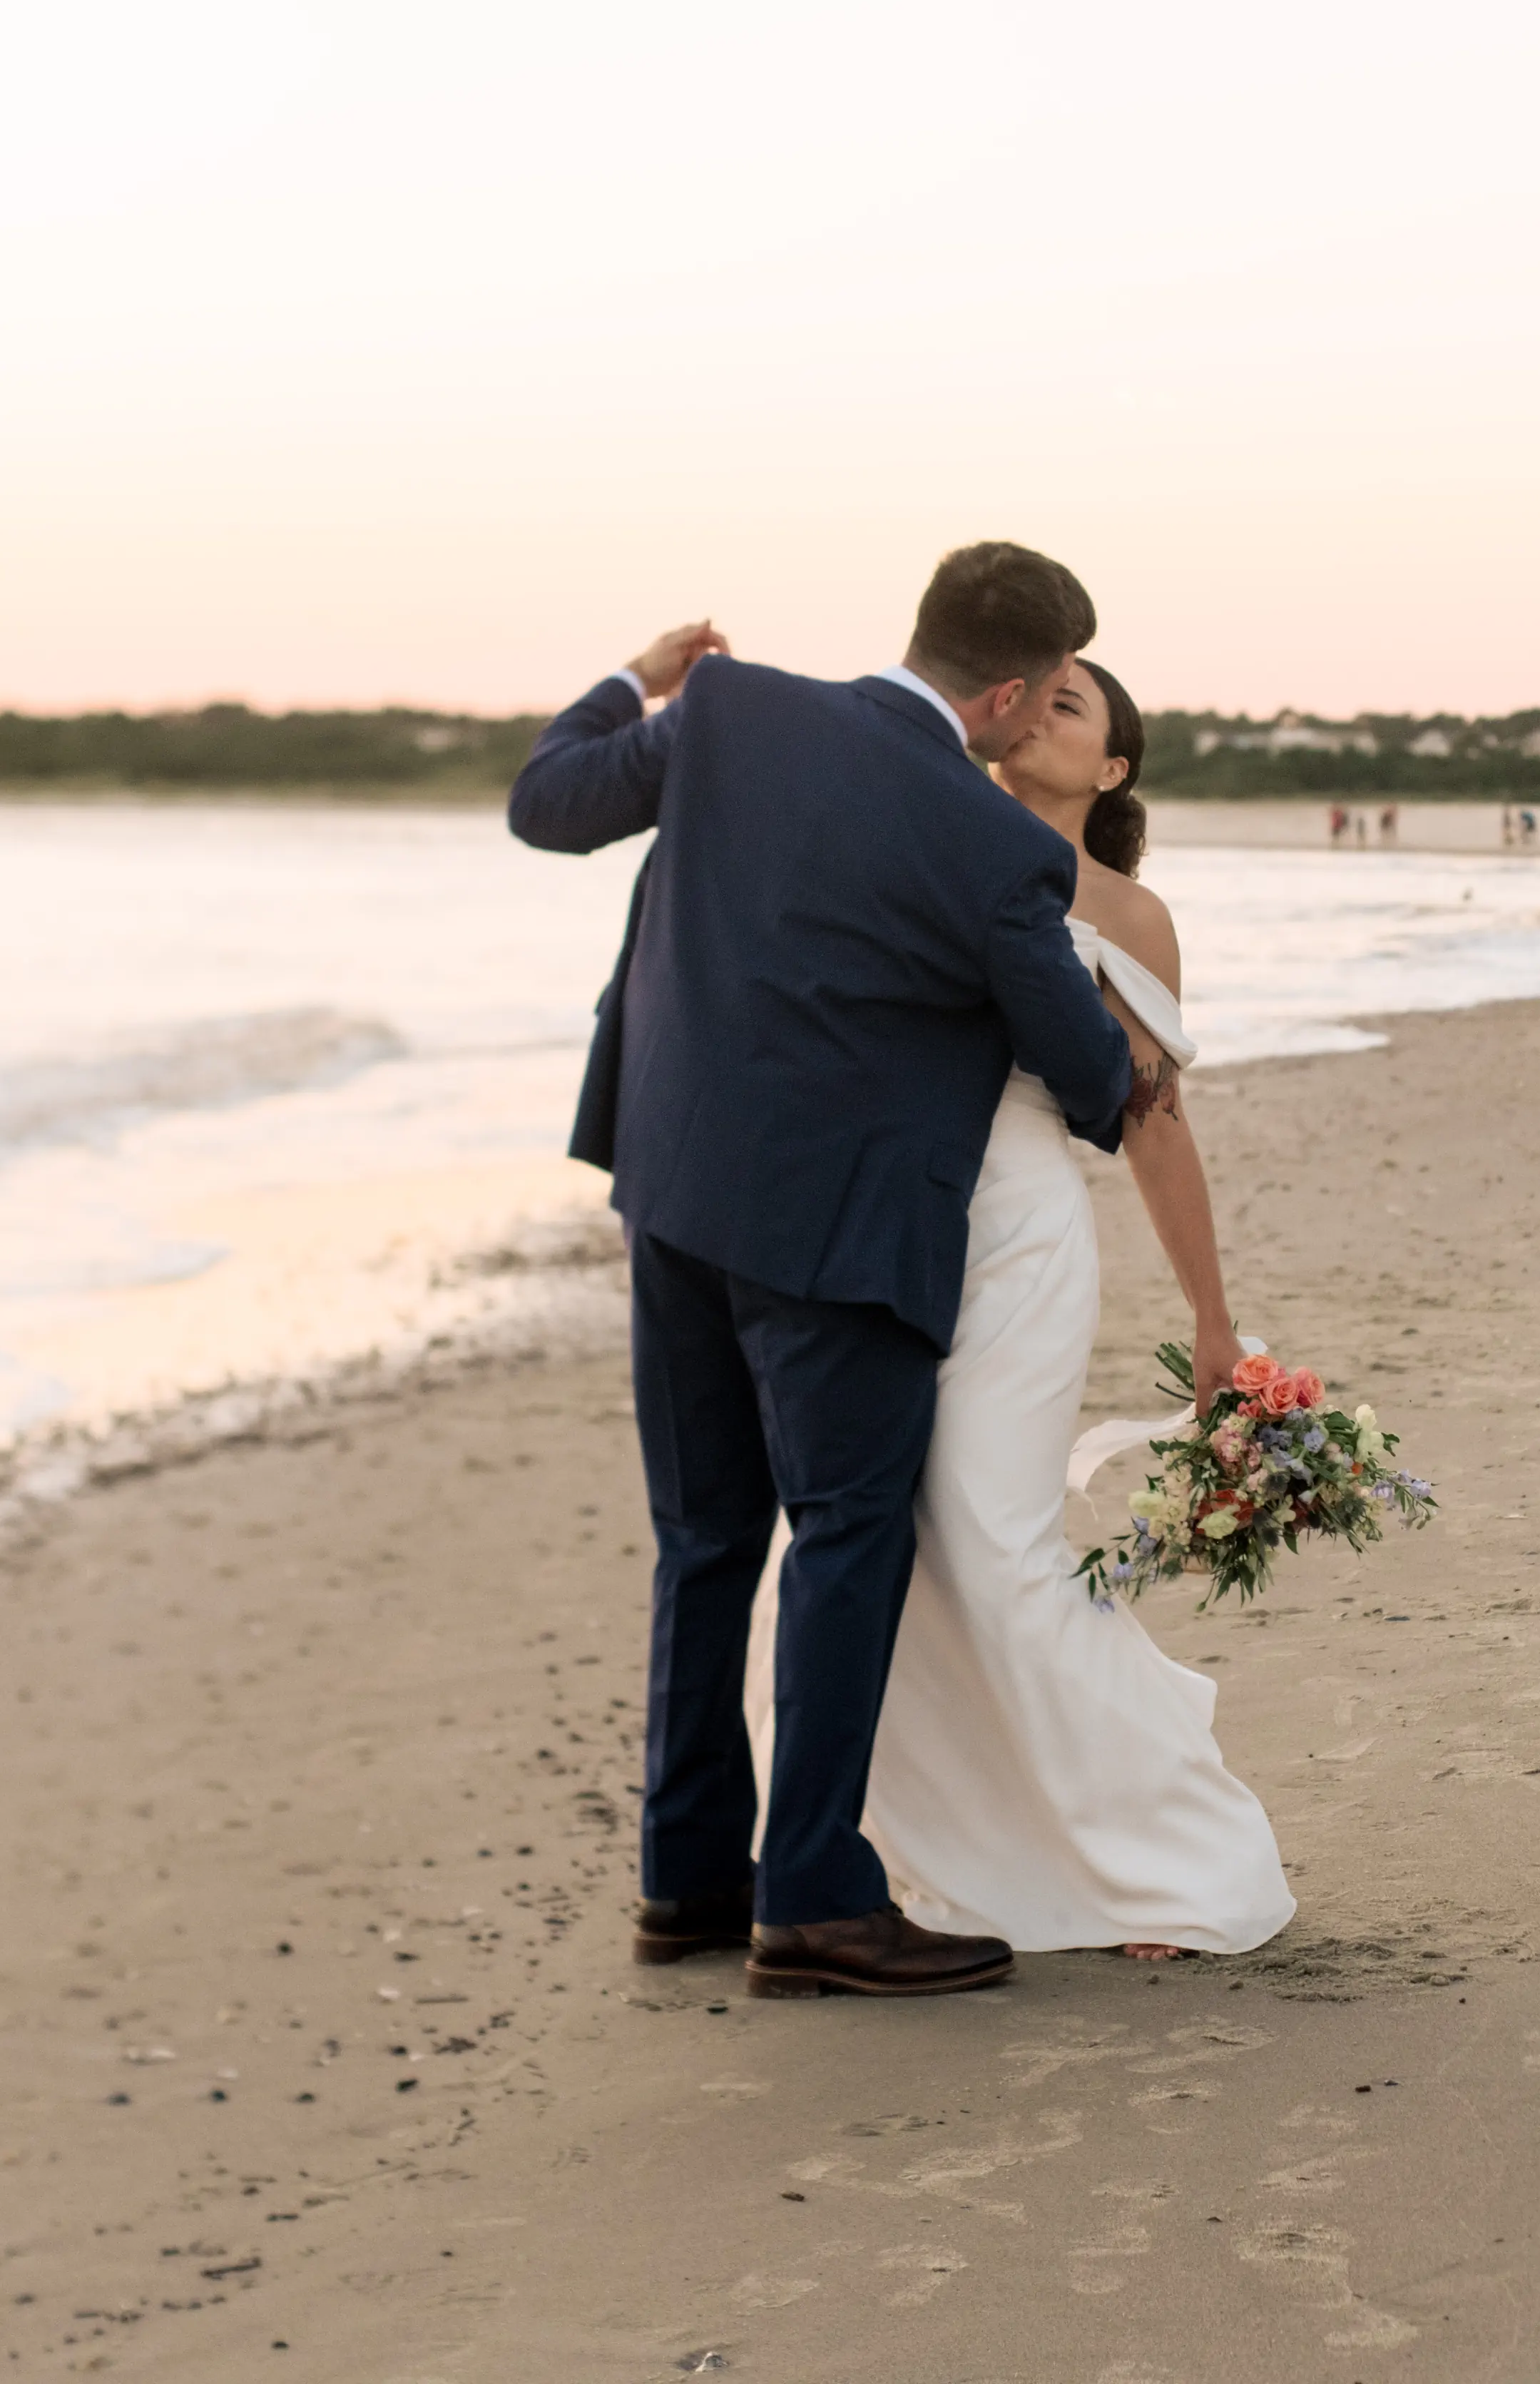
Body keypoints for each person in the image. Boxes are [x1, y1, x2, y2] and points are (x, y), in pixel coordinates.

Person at [507, 546, 1135, 1998]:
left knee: (705, 1540)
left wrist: (638, 680)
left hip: (668, 1191)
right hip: (839, 1238)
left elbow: (548, 807)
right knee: (846, 1537)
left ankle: (683, 1887)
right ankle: (811, 1903)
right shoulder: (997, 850)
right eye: (1045, 692)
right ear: (1005, 691)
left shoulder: (728, 715)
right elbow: (1091, 1083)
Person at [747, 658, 1295, 1962]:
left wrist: (1215, 1325)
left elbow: (1155, 1130)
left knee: (996, 1543)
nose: (1042, 709)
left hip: (1022, 1240)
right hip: (883, 1228)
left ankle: (1163, 1862)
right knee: (870, 1545)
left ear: (1112, 770)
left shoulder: (1124, 911)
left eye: (1076, 705)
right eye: (1034, 692)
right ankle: (918, 1864)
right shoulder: (923, 845)